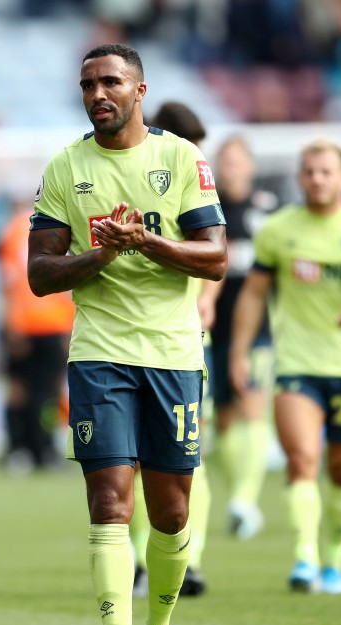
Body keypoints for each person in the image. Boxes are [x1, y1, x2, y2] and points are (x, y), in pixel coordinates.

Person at [28, 44, 227, 625]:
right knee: (108, 499)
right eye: (87, 85)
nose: (97, 95)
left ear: (140, 91)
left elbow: (214, 256)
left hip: (172, 356)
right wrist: (101, 257)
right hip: (99, 356)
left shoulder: (180, 158)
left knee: (171, 511)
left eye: (111, 82)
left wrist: (146, 242)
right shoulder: (66, 166)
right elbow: (39, 273)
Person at [230, 140, 341, 595]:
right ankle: (305, 556)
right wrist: (240, 351)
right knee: (301, 460)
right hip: (296, 366)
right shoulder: (278, 230)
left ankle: (335, 561)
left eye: (325, 171)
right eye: (309, 171)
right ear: (299, 178)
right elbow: (255, 294)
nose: (317, 179)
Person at [129, 100, 217, 599]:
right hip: (138, 337)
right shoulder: (152, 173)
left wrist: (205, 305)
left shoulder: (195, 179)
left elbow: (217, 256)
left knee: (184, 457)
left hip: (184, 339)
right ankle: (149, 561)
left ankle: (191, 557)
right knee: (142, 460)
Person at [210, 137, 278, 536]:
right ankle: (240, 496)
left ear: (251, 167)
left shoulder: (268, 211)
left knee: (254, 406)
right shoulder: (206, 209)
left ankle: (244, 500)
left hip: (258, 330)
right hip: (212, 329)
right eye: (226, 162)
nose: (232, 169)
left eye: (238, 162)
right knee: (223, 421)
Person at [0, 204, 74, 474]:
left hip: (47, 323)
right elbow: (9, 281)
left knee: (40, 392)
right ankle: (25, 448)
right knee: (29, 391)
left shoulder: (17, 229)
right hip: (38, 323)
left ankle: (33, 449)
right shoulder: (58, 224)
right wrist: (12, 324)